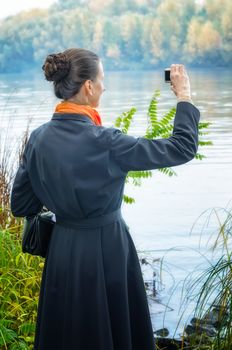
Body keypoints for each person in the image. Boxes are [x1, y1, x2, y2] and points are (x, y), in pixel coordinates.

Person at [10, 48, 200, 350]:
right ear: (88, 86)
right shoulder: (108, 141)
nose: (104, 87)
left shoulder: (38, 139)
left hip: (62, 252)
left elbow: (20, 205)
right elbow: (182, 147)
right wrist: (184, 95)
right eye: (102, 80)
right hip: (109, 250)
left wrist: (62, 199)